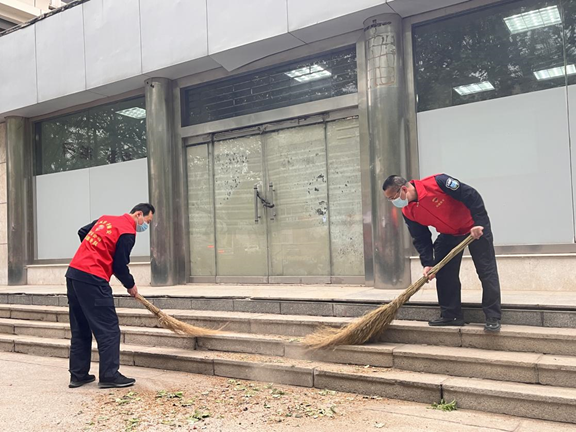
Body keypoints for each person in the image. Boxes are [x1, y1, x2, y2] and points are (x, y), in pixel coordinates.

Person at [382, 174, 501, 332]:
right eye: (389, 199)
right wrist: (428, 263)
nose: (393, 202)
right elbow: (420, 237)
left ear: (403, 189)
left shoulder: (438, 183)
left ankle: (493, 316)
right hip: (449, 233)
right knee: (443, 272)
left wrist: (479, 223)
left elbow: (471, 196)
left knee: (486, 270)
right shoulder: (408, 211)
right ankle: (451, 315)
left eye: (393, 197)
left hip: (473, 227)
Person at [65, 203, 155, 388]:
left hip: (74, 274)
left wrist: (93, 252)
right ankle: (109, 376)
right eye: (147, 220)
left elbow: (82, 231)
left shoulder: (105, 219)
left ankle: (78, 375)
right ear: (139, 214)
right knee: (109, 328)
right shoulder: (127, 232)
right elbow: (119, 266)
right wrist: (130, 285)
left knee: (80, 327)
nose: (146, 225)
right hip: (93, 279)